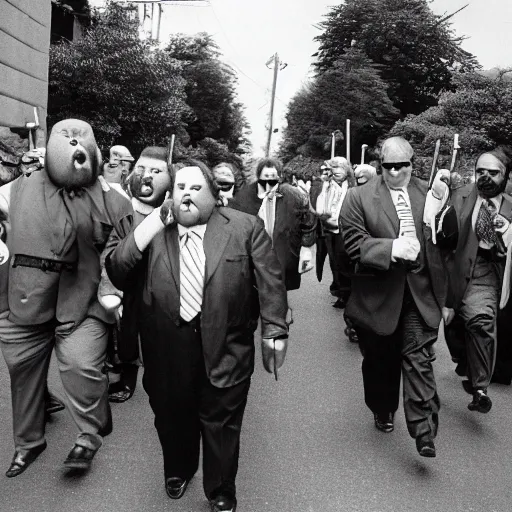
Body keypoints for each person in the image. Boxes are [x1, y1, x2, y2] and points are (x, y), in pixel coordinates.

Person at [106, 158, 289, 512]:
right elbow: (117, 270)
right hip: (166, 349)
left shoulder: (245, 227)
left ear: (215, 195)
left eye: (195, 187)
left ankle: (221, 488)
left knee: (222, 422)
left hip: (227, 345)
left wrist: (275, 330)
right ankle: (179, 467)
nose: (187, 194)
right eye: (180, 188)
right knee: (171, 415)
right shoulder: (152, 229)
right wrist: (155, 223)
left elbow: (271, 281)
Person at [0, 119, 127, 477]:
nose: (75, 148)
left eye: (82, 141)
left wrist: (110, 287)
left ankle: (89, 434)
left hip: (83, 301)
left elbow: (124, 247)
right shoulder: (18, 189)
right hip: (25, 299)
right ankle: (28, 443)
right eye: (66, 140)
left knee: (81, 366)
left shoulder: (113, 199)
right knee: (23, 372)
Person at [340, 136, 445, 458]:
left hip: (418, 291)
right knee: (380, 361)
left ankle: (424, 429)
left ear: (414, 163)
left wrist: (446, 201)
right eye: (389, 166)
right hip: (379, 294)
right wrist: (390, 248)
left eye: (404, 165)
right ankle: (382, 407)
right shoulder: (358, 197)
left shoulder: (429, 192)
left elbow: (446, 238)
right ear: (379, 164)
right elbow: (353, 243)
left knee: (418, 359)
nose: (396, 171)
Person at [430, 146, 512, 413]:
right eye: (480, 172)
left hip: (485, 272)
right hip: (455, 272)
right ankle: (464, 361)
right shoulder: (459, 197)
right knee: (453, 328)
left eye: (494, 172)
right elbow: (439, 235)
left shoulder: (511, 208)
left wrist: (507, 231)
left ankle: (480, 388)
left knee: (480, 322)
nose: (486, 177)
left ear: (506, 176)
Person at [98, 146, 172, 403]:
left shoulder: (171, 212)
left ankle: (134, 378)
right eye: (141, 169)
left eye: (155, 171)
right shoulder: (120, 205)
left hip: (155, 282)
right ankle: (116, 374)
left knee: (148, 334)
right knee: (120, 332)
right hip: (123, 279)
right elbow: (110, 248)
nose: (147, 176)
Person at [229, 157, 316, 293]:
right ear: (259, 177)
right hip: (255, 255)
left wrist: (306, 248)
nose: (269, 179)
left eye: (273, 176)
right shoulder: (245, 198)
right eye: (265, 176)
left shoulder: (293, 196)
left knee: (277, 294)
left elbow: (308, 221)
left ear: (279, 177)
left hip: (282, 255)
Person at [314, 157, 353, 308]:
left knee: (346, 262)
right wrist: (324, 188)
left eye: (340, 167)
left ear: (347, 170)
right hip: (329, 230)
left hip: (347, 230)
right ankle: (341, 293)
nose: (336, 171)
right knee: (335, 263)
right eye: (333, 167)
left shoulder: (352, 186)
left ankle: (348, 292)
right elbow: (320, 211)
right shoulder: (325, 186)